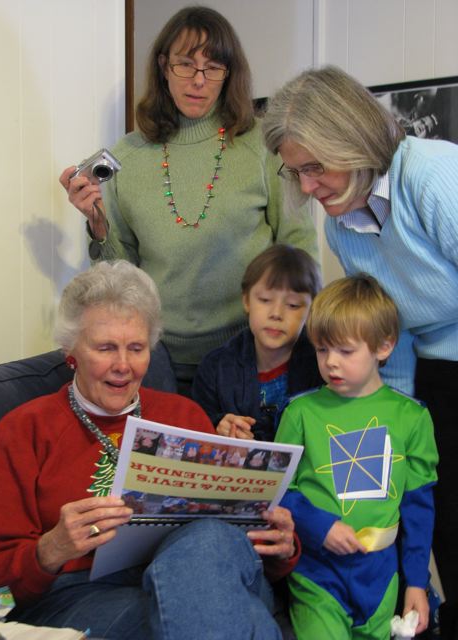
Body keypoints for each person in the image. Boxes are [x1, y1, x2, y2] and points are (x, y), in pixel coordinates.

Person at [0, 260, 299, 640]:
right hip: (81, 593)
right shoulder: (25, 429)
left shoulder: (183, 414)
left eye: (136, 348)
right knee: (220, 615)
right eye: (105, 348)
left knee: (207, 547)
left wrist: (281, 548)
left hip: (202, 567)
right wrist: (51, 548)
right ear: (71, 351)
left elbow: (235, 550)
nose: (123, 366)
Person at [262, 64, 458, 639]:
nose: (306, 187)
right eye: (295, 171)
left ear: (350, 137)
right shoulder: (343, 226)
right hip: (431, 371)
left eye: (315, 167)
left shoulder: (433, 176)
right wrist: (384, 424)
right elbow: (384, 335)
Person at [59, 6, 318, 397]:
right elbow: (122, 274)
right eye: (185, 65)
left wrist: (299, 332)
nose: (198, 81)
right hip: (157, 360)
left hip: (252, 357)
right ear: (164, 67)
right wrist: (98, 224)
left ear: (229, 73)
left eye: (213, 67)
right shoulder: (127, 156)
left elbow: (300, 246)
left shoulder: (263, 146)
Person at [274, 274, 438, 640]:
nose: (331, 363)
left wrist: (416, 583)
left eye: (345, 351)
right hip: (316, 574)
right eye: (321, 349)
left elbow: (418, 510)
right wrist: (320, 527)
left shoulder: (412, 417)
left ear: (384, 346)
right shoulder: (299, 413)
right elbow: (277, 490)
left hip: (381, 579)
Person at [193, 244, 322, 441]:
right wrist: (218, 424)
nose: (276, 314)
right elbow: (196, 426)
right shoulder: (215, 367)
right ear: (246, 301)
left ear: (311, 310)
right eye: (265, 300)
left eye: (293, 305)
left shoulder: (322, 366)